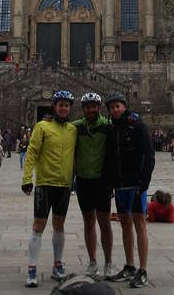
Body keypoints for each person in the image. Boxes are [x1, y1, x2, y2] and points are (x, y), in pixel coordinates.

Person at [21, 91, 77, 288]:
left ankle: (57, 265)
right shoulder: (42, 126)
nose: (63, 108)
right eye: (60, 104)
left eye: (66, 105)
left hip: (64, 185)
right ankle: (32, 268)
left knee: (59, 227)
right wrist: (27, 178)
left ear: (70, 108)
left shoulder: (73, 129)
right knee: (38, 226)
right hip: (45, 183)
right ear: (54, 107)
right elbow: (32, 151)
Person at [104, 91, 155, 288]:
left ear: (124, 107)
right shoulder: (111, 129)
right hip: (119, 185)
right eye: (112, 107)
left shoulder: (137, 126)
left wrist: (144, 183)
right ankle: (129, 265)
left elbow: (149, 156)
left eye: (118, 106)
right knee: (125, 224)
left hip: (136, 184)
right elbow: (109, 159)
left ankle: (143, 270)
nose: (115, 109)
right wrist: (110, 184)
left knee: (140, 223)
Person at [73, 92, 114, 279]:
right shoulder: (76, 128)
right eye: (88, 106)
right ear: (83, 109)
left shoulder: (108, 126)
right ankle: (92, 262)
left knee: (105, 223)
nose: (91, 109)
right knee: (88, 222)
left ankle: (108, 262)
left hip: (102, 182)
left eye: (94, 106)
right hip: (83, 181)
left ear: (99, 108)